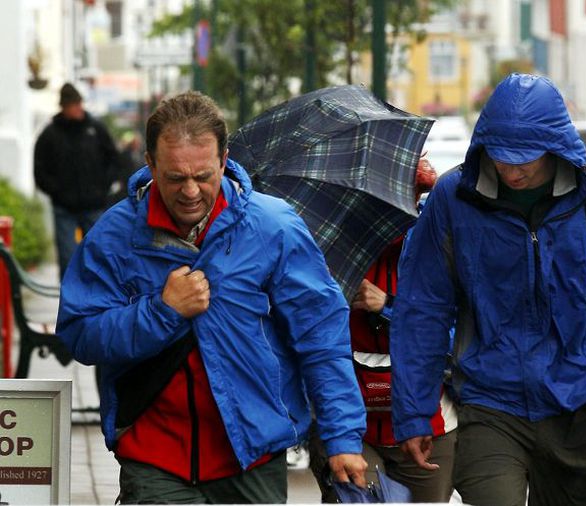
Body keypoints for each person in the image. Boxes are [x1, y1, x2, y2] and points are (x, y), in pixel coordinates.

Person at [56, 91, 367, 504]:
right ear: (150, 164)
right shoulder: (114, 236)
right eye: (174, 177)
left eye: (203, 176)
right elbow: (79, 332)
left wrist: (342, 436)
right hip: (155, 455)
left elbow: (320, 335)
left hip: (253, 453)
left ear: (224, 160)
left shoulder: (273, 226)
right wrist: (161, 311)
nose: (190, 191)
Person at [389, 73, 586, 506]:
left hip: (582, 407)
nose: (512, 169)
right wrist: (413, 412)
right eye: (501, 157)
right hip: (488, 405)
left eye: (526, 158)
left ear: (555, 147)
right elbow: (422, 308)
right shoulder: (454, 199)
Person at [308, 158, 457, 503]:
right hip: (349, 425)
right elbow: (306, 335)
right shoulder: (325, 247)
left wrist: (389, 306)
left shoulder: (438, 245)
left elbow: (455, 334)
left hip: (428, 425)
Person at [34, 82, 120, 279]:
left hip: (94, 205)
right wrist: (57, 192)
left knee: (99, 256)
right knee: (68, 259)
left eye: (80, 103)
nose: (79, 108)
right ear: (64, 107)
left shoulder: (96, 129)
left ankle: (98, 297)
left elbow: (113, 159)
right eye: (74, 105)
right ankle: (71, 301)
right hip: (64, 208)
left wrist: (103, 187)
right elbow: (40, 170)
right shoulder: (50, 135)